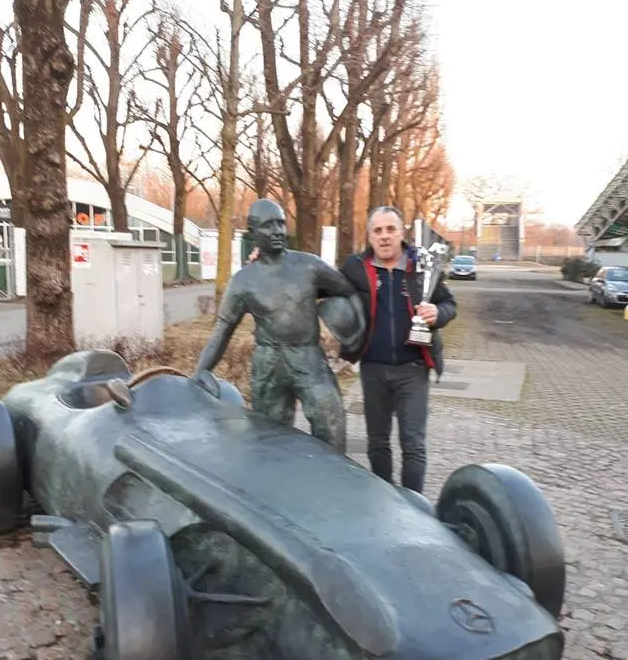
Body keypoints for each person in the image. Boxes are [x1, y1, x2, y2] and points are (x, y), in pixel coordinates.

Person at [194, 198, 357, 453]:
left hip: (308, 358)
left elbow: (348, 291)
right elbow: (223, 329)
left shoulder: (309, 265)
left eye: (281, 223)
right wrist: (202, 370)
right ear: (253, 233)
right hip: (268, 363)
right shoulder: (242, 282)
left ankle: (332, 485)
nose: (278, 231)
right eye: (269, 226)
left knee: (331, 422)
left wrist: (350, 328)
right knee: (270, 438)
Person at [339, 206, 457, 495]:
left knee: (413, 445)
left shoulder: (423, 264)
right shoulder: (355, 267)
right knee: (377, 442)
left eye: (390, 229)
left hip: (413, 369)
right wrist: (265, 258)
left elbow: (450, 304)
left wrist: (437, 313)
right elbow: (317, 282)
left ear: (401, 233)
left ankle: (414, 506)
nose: (384, 237)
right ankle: (384, 501)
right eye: (377, 231)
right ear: (369, 236)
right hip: (372, 369)